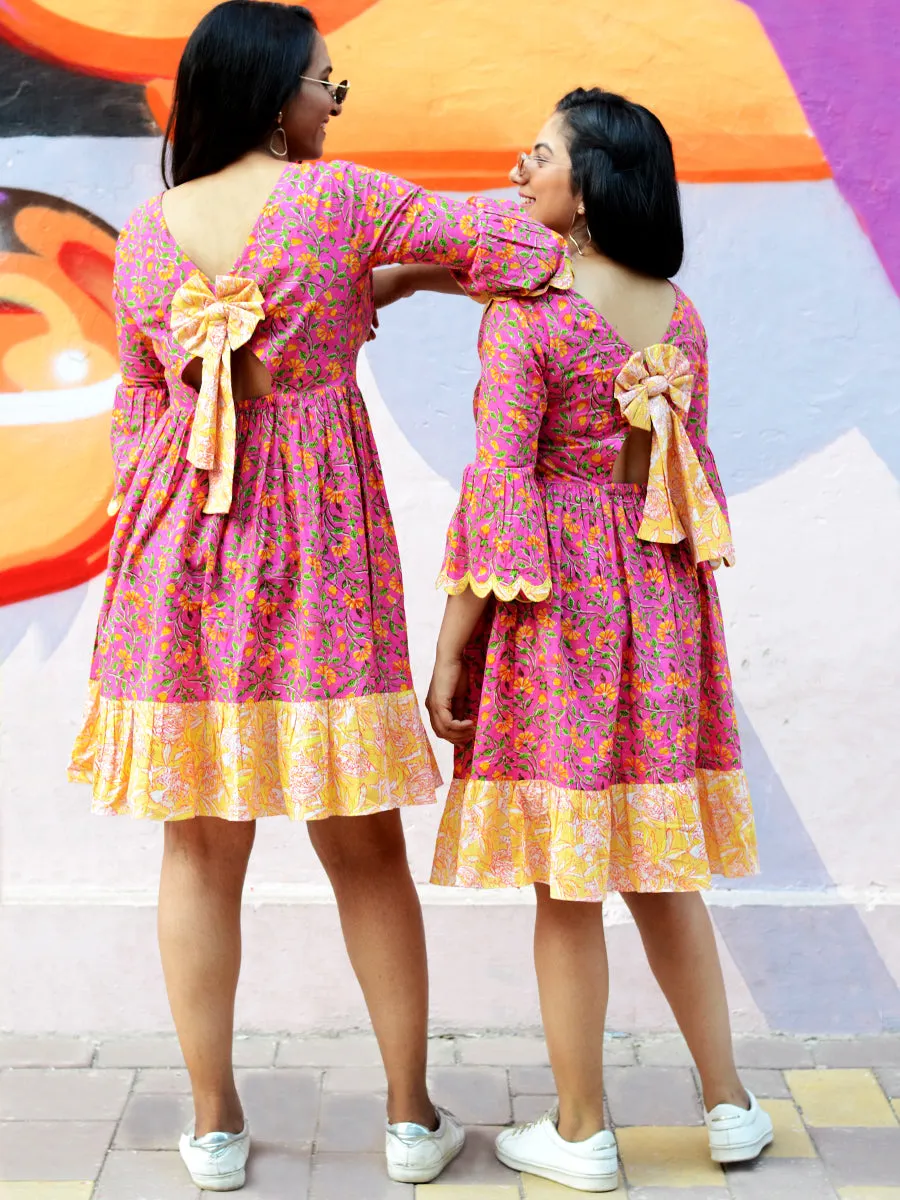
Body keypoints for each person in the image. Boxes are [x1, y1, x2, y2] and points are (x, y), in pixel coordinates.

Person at [67, 2, 568, 1190]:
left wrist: (357, 290)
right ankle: (408, 1120)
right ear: (277, 94)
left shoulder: (147, 234)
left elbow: (143, 421)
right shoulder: (335, 206)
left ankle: (214, 1126)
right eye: (328, 84)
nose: (336, 103)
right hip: (318, 565)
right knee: (365, 851)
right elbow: (518, 245)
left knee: (198, 854)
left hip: (175, 567)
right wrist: (385, 282)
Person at [378, 87, 772, 1193]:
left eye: (540, 152)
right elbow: (682, 482)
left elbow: (498, 491)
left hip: (562, 608)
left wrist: (452, 643)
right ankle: (730, 1106)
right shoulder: (678, 316)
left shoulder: (531, 316)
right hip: (662, 602)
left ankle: (581, 1126)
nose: (520, 164)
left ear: (589, 185)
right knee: (662, 871)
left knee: (569, 881)